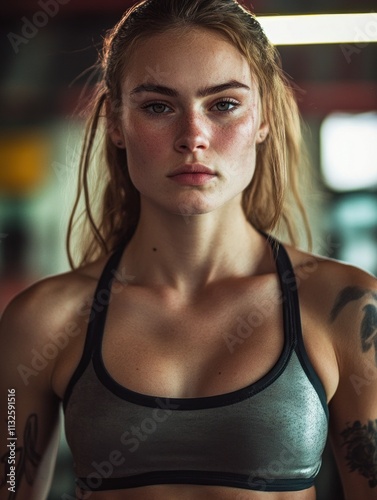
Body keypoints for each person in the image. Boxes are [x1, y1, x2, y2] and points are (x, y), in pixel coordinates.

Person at [1, 0, 377, 498]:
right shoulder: (41, 320)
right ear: (116, 122)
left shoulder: (345, 308)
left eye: (223, 104)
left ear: (262, 118)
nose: (193, 137)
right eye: (158, 106)